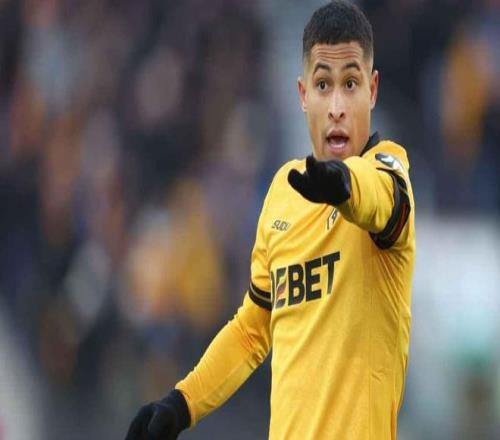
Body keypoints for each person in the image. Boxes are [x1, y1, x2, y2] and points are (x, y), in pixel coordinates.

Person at [125, 1, 416, 439]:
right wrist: (182, 403)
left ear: (372, 91)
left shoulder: (389, 170)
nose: (337, 106)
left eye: (351, 84)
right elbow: (252, 330)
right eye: (323, 85)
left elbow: (379, 198)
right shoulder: (285, 192)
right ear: (303, 95)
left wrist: (344, 185)